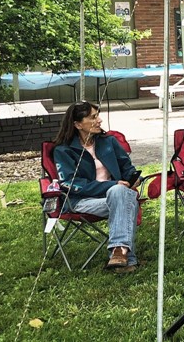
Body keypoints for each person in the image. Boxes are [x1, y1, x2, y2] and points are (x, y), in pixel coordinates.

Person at [52, 101, 141, 273]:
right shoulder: (63, 150)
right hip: (82, 202)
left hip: (116, 196)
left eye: (98, 116)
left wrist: (134, 178)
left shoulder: (109, 141)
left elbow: (127, 167)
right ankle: (126, 256)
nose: (99, 120)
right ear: (78, 124)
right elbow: (70, 183)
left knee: (121, 194)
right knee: (126, 199)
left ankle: (119, 253)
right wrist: (112, 185)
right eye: (93, 117)